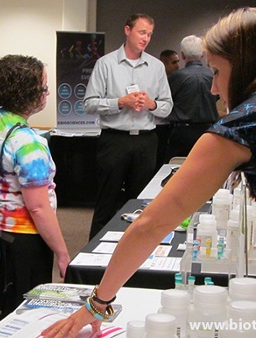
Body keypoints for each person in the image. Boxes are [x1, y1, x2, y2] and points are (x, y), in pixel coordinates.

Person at [42, 7, 256, 338]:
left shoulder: (252, 119)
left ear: (243, 67)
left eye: (217, 72)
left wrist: (97, 304)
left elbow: (151, 224)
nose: (213, 88)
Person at [0, 54, 71, 327]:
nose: (48, 92)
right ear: (29, 93)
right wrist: (63, 254)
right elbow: (39, 207)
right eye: (43, 86)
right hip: (25, 238)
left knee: (4, 308)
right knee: (25, 316)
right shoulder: (29, 143)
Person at [85, 13, 173, 240]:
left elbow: (167, 107)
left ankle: (136, 254)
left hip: (146, 140)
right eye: (142, 32)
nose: (146, 38)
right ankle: (93, 255)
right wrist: (119, 103)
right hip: (114, 139)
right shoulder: (105, 64)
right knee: (106, 200)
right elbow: (89, 104)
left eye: (150, 35)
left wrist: (151, 104)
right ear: (127, 31)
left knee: (141, 203)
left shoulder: (156, 67)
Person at [164, 35, 219, 162]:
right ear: (202, 54)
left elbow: (167, 102)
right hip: (209, 131)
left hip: (182, 132)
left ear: (182, 55)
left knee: (175, 168)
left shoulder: (175, 77)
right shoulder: (213, 75)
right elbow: (217, 98)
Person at [154, 49, 180, 170]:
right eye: (174, 62)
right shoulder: (154, 81)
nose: (177, 66)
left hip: (171, 126)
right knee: (158, 160)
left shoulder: (177, 81)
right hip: (158, 126)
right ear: (164, 63)